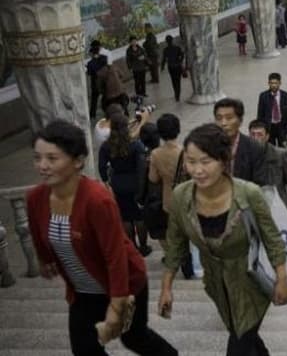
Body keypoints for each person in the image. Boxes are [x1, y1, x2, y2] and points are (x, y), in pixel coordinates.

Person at [27, 120, 177, 356]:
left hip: (125, 284)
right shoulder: (35, 198)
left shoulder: (97, 200)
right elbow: (38, 233)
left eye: (52, 159)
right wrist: (45, 259)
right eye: (38, 158)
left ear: (77, 161)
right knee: (84, 349)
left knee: (134, 338)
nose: (42, 166)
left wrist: (117, 306)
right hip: (82, 292)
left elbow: (115, 258)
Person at [159, 123, 287, 355]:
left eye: (206, 161)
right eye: (191, 161)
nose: (198, 170)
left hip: (251, 282)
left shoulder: (249, 194)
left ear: (224, 160)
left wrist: (282, 278)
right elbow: (175, 241)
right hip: (217, 284)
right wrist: (166, 287)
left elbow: (272, 239)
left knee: (239, 343)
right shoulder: (182, 196)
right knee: (244, 336)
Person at [98, 113, 151, 257]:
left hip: (118, 184)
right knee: (139, 217)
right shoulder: (135, 145)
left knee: (126, 217)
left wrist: (107, 182)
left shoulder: (106, 146)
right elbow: (142, 167)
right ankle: (144, 246)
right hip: (135, 182)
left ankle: (132, 245)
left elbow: (102, 167)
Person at [213, 98, 268, 186]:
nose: (223, 123)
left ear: (240, 121)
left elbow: (259, 184)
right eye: (219, 118)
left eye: (229, 118)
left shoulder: (254, 148)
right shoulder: (207, 146)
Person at [248, 119, 287, 211]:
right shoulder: (245, 156)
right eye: (252, 134)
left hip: (278, 203)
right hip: (256, 206)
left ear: (267, 136)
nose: (255, 138)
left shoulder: (279, 154)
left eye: (259, 135)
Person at [147, 113, 181, 247]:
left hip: (168, 200)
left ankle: (172, 255)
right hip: (184, 199)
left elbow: (153, 178)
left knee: (170, 231)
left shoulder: (156, 154)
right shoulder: (184, 151)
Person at [256, 72, 287, 147]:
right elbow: (260, 114)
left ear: (280, 83)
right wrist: (261, 130)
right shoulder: (263, 96)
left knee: (282, 150)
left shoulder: (285, 96)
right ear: (268, 83)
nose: (274, 85)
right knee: (270, 150)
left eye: (276, 83)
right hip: (269, 127)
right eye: (272, 83)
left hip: (281, 127)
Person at [86, 41, 108, 119]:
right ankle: (107, 111)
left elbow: (89, 73)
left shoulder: (90, 63)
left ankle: (92, 114)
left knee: (94, 99)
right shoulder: (104, 59)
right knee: (106, 96)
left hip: (95, 83)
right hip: (104, 81)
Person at [160, 35, 185, 102]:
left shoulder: (165, 50)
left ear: (166, 42)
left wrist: (162, 67)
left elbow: (164, 59)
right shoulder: (177, 48)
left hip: (171, 67)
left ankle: (176, 93)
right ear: (172, 40)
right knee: (178, 81)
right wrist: (180, 61)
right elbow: (182, 55)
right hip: (177, 66)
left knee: (173, 81)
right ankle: (178, 95)